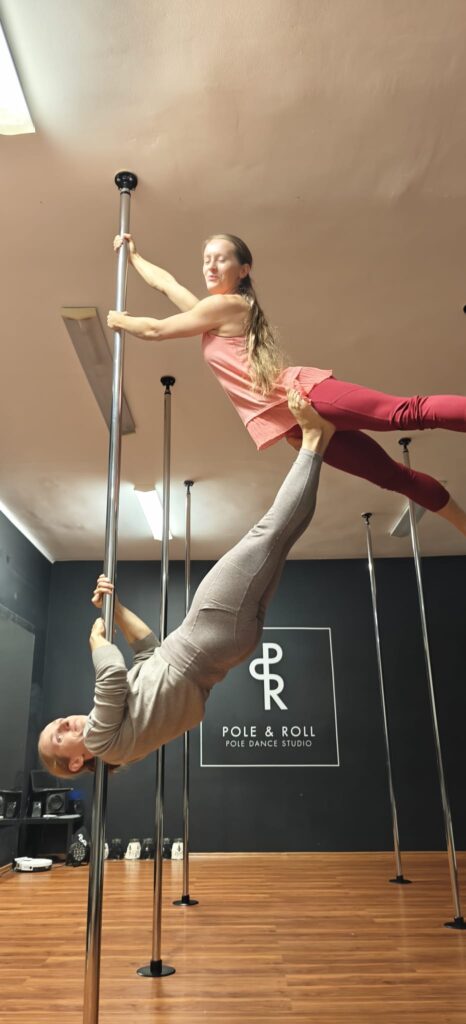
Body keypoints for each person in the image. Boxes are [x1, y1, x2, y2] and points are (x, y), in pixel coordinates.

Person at [38, 393, 334, 777]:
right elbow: (111, 676)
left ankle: (318, 445)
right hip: (201, 640)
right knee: (270, 533)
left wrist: (116, 608)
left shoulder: (121, 741)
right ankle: (314, 440)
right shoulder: (100, 742)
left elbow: (148, 650)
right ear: (76, 761)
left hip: (222, 646)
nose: (65, 722)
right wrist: (97, 642)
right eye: (59, 736)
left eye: (58, 723)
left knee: (279, 539)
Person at [108, 232, 466, 536]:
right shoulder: (211, 314)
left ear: (243, 270)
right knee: (393, 478)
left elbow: (156, 330)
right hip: (296, 424)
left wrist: (120, 321)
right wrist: (134, 257)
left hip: (305, 397)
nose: (211, 267)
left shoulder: (230, 305)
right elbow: (168, 285)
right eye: (206, 260)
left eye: (221, 259)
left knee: (406, 413)